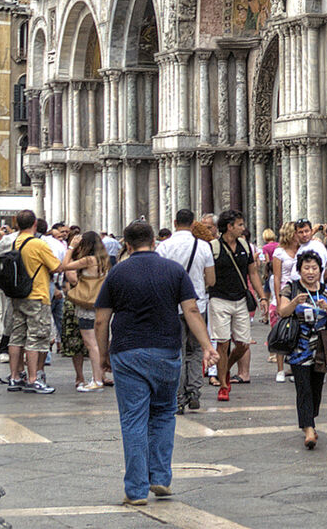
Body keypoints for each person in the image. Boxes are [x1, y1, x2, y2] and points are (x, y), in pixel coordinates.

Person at [95, 219, 217, 504]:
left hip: (127, 352)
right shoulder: (172, 270)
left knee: (133, 419)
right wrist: (207, 346)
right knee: (163, 414)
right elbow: (191, 311)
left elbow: (101, 319)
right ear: (154, 241)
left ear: (126, 244)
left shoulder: (117, 273)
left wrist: (103, 355)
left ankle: (136, 490)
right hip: (166, 350)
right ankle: (161, 477)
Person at [156, 210, 214, 411]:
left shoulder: (163, 247)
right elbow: (212, 279)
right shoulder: (204, 246)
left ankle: (178, 397)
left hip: (172, 306)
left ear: (174, 222)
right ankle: (195, 391)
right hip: (198, 306)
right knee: (197, 350)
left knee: (176, 351)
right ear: (193, 224)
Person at [277, 250, 327, 449]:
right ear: (299, 270)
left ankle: (310, 418)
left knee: (316, 389)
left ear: (320, 270)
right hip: (298, 348)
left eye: (314, 268)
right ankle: (308, 428)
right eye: (306, 268)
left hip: (320, 348)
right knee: (303, 389)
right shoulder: (291, 288)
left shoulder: (326, 290)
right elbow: (282, 311)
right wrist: (294, 302)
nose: (310, 272)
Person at [6, 210, 62, 395]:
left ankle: (14, 376)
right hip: (37, 295)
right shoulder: (38, 243)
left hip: (18, 295)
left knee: (17, 336)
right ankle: (32, 379)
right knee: (36, 338)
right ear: (35, 224)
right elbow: (56, 266)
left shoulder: (15, 241)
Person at [210, 210, 256, 400]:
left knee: (243, 344)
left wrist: (262, 297)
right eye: (240, 225)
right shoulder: (213, 247)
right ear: (229, 227)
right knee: (223, 343)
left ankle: (225, 368)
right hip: (219, 299)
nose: (243, 228)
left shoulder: (245, 245)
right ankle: (223, 385)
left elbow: (252, 273)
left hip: (240, 300)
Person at [63, 226, 109, 391]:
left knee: (91, 344)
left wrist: (70, 247)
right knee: (97, 342)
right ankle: (99, 377)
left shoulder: (89, 260)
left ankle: (96, 380)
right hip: (100, 303)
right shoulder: (104, 260)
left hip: (87, 304)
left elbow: (65, 266)